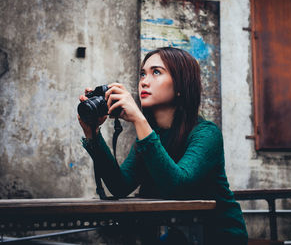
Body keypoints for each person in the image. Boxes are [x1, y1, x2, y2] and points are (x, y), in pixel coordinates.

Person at [78, 47, 248, 244]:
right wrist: (93, 134)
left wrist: (139, 120)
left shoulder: (206, 133)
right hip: (179, 235)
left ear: (180, 86)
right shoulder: (152, 134)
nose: (144, 81)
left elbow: (178, 186)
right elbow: (120, 186)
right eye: (143, 73)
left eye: (156, 72)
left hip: (219, 235)